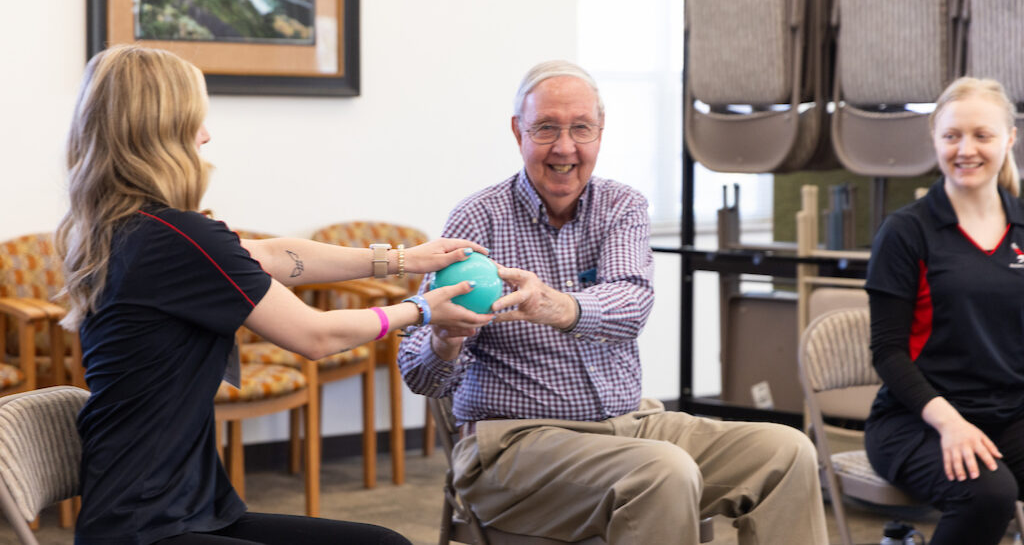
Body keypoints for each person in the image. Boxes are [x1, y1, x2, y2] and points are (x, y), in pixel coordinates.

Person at [57, 44, 494, 545]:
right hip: (146, 526)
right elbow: (315, 335)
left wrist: (404, 259)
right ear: (160, 133)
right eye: (194, 120)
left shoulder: (133, 231)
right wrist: (420, 309)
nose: (206, 134)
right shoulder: (175, 238)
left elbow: (271, 256)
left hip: (180, 507)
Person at [399, 60, 828, 543]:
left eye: (581, 128)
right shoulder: (478, 219)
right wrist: (444, 340)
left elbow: (631, 304)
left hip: (634, 426)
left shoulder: (621, 206)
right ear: (517, 131)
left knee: (786, 451)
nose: (565, 147)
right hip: (515, 445)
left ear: (600, 132)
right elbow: (418, 373)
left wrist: (551, 305)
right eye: (545, 129)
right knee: (662, 473)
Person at [865, 76, 1024, 545]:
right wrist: (951, 424)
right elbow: (888, 352)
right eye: (951, 135)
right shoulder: (906, 232)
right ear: (934, 138)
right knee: (989, 494)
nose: (965, 149)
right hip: (916, 422)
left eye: (982, 135)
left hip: (1010, 414)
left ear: (1009, 138)